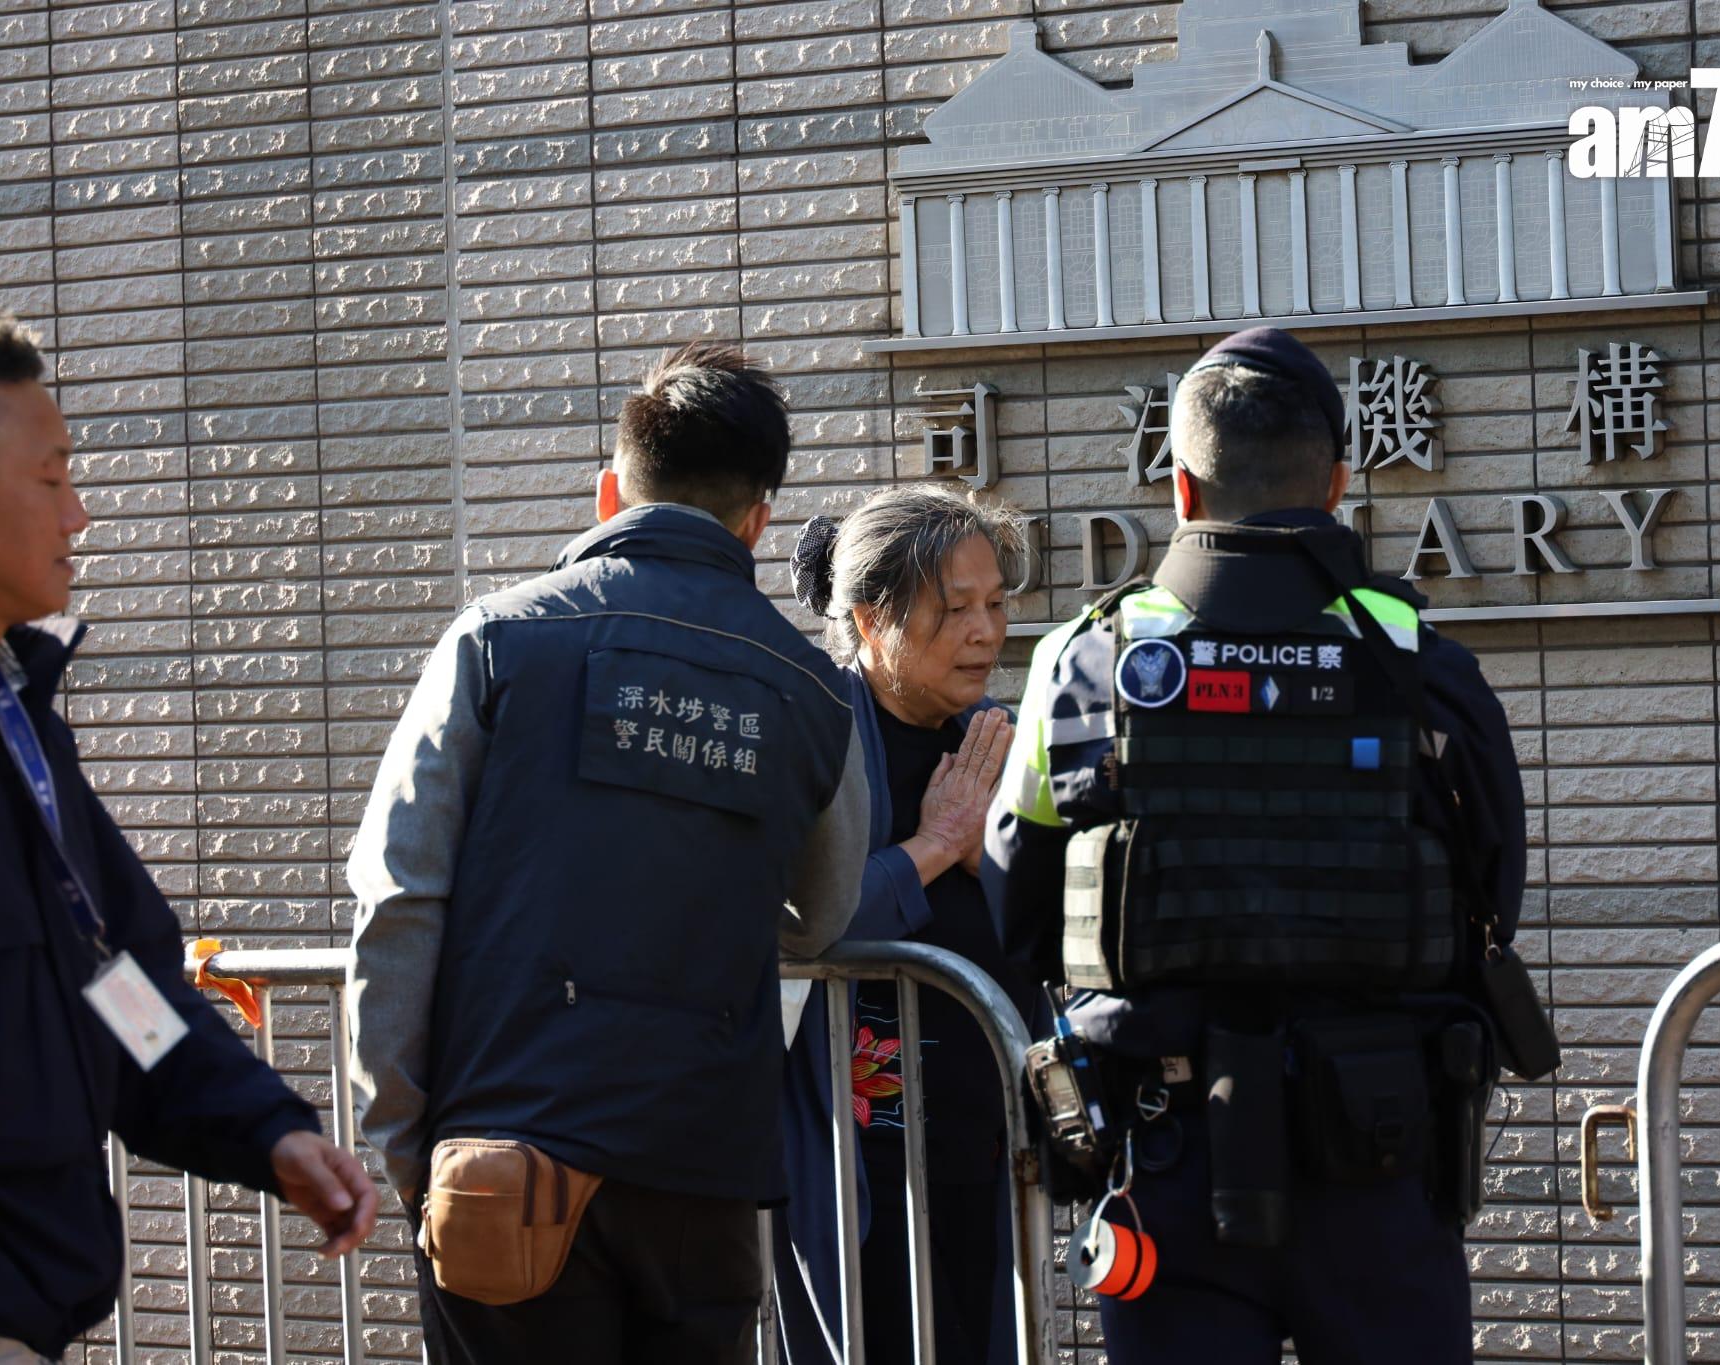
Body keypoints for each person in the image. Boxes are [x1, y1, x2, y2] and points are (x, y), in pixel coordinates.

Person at [984, 327, 1528, 1364]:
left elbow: (1018, 905)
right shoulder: (1421, 663)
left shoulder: (1082, 661)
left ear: (1181, 489)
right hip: (1378, 1151)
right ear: (1336, 485)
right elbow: (1493, 892)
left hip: (1162, 1152)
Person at [348, 341, 872, 1365]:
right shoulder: (811, 690)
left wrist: (402, 1143)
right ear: (758, 519)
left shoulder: (496, 641)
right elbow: (822, 915)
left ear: (609, 492)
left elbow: (399, 893)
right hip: (703, 1170)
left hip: (506, 1159)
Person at [0, 316, 377, 1364]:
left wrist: (268, 1131)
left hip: (19, 1322)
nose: (78, 514)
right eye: (51, 479)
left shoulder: (18, 724)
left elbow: (115, 980)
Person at [772, 486, 1026, 1365]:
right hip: (859, 1147)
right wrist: (934, 846)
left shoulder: (995, 739)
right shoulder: (820, 737)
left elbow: (1048, 921)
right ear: (871, 620)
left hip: (984, 1133)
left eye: (996, 603)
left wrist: (991, 858)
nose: (985, 632)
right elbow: (801, 923)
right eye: (954, 609)